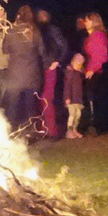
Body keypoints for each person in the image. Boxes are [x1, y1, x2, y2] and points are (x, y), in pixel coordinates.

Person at [1, 6, 46, 133]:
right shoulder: (35, 32)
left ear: (18, 16)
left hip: (15, 75)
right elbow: (42, 51)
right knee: (30, 106)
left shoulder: (11, 31)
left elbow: (4, 50)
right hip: (32, 75)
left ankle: (10, 131)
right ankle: (29, 132)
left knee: (12, 106)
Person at [36, 9, 70, 139]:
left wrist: (57, 61)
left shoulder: (52, 30)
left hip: (49, 68)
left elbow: (64, 46)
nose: (41, 17)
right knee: (39, 98)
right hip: (37, 68)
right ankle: (41, 129)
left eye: (43, 15)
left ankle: (51, 130)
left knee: (47, 98)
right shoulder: (36, 30)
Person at [81, 13, 108, 134]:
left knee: (92, 97)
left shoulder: (99, 36)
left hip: (95, 71)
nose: (85, 23)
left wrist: (93, 69)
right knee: (89, 96)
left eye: (87, 21)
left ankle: (95, 124)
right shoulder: (90, 37)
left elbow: (101, 55)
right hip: (89, 70)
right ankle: (91, 123)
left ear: (94, 22)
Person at [62, 53, 86, 140]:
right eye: (77, 63)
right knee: (72, 115)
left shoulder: (79, 73)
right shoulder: (69, 72)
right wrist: (67, 97)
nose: (79, 65)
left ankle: (75, 129)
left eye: (80, 64)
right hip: (71, 99)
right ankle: (69, 131)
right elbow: (67, 86)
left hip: (78, 98)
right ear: (73, 62)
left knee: (78, 115)